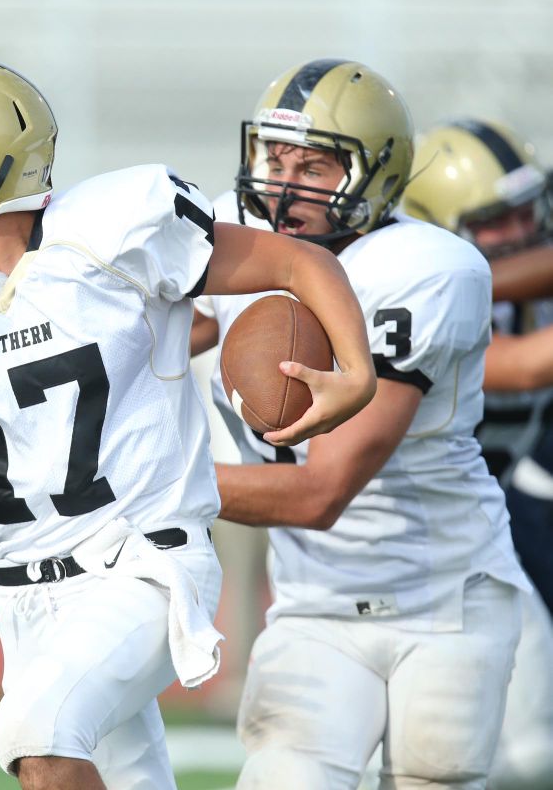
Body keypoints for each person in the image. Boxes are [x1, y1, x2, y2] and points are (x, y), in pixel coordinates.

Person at [0, 57, 376, 790]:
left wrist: (357, 373)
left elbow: (299, 265)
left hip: (140, 563)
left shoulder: (113, 227)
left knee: (35, 738)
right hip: (20, 597)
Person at [192, 59, 531, 789]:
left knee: (435, 776)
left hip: (443, 600)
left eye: (314, 166)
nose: (284, 183)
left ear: (375, 175)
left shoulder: (424, 267)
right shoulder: (235, 231)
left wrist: (140, 483)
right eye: (274, 159)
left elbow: (321, 491)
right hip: (313, 603)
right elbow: (143, 334)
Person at [403, 119, 553, 790]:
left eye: (529, 208)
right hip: (419, 547)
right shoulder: (420, 297)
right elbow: (518, 367)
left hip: (500, 521)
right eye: (498, 219)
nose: (523, 227)